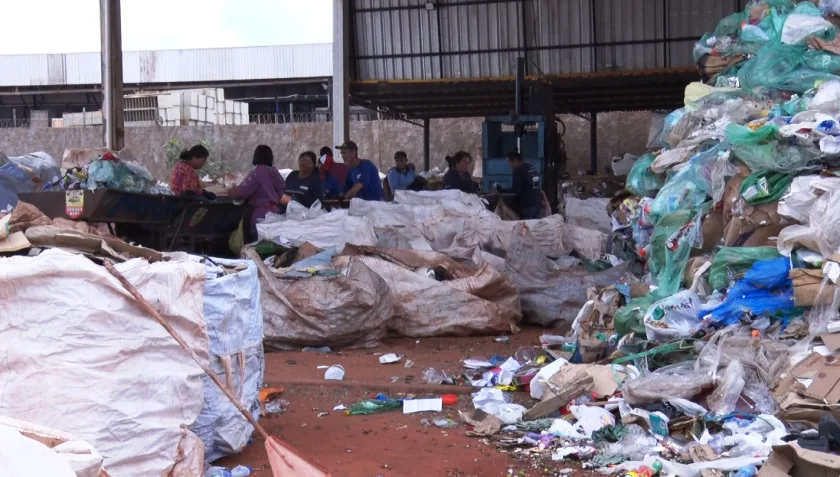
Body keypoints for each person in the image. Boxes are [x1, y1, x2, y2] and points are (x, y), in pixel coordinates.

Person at [229, 145, 286, 244]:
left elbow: (243, 191)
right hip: (275, 214)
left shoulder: (257, 172)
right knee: (270, 244)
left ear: (256, 156)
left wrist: (231, 192)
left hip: (258, 215)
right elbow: (282, 191)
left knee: (254, 245)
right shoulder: (275, 172)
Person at [498, 149, 541, 220]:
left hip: (528, 206)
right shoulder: (530, 167)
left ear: (515, 160)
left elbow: (516, 190)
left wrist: (502, 191)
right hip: (537, 204)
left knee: (526, 229)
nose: (510, 165)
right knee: (534, 227)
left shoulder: (518, 171)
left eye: (510, 162)